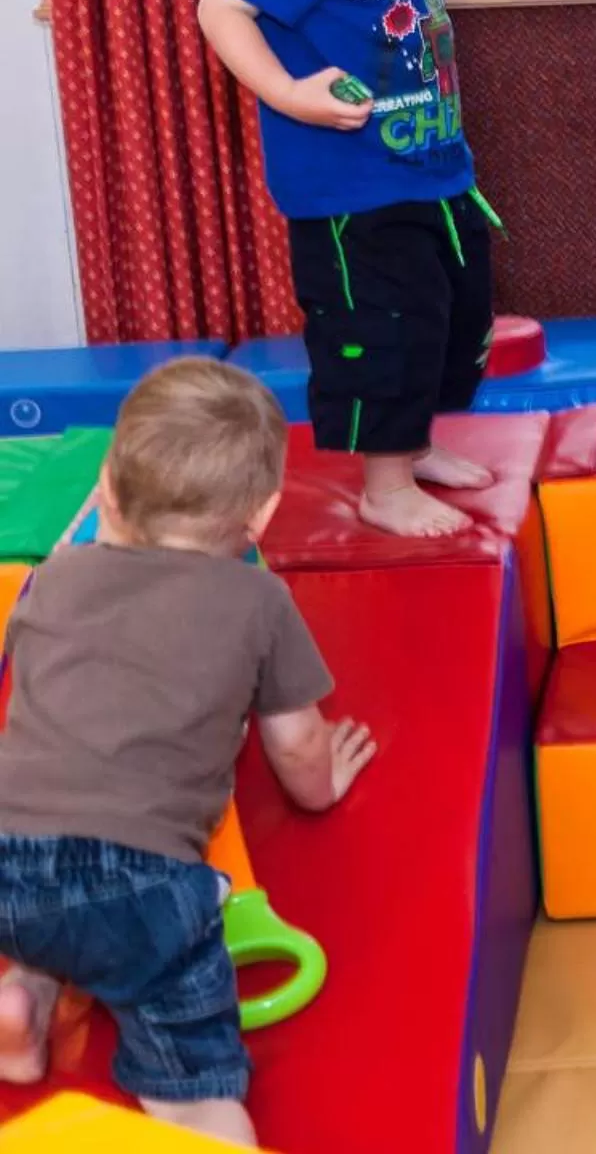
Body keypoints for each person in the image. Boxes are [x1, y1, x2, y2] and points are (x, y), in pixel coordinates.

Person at [0, 359, 376, 1145]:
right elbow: (298, 752)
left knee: (48, 919)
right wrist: (327, 778)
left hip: (8, 856)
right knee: (190, 1092)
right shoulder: (259, 601)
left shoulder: (55, 578)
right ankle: (203, 1125)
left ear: (107, 483)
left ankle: (23, 1001)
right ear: (263, 515)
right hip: (139, 884)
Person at [198, 0, 496, 540]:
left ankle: (415, 445)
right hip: (354, 191)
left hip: (431, 168)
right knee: (387, 328)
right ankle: (384, 484)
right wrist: (289, 93)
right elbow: (221, 6)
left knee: (454, 314)